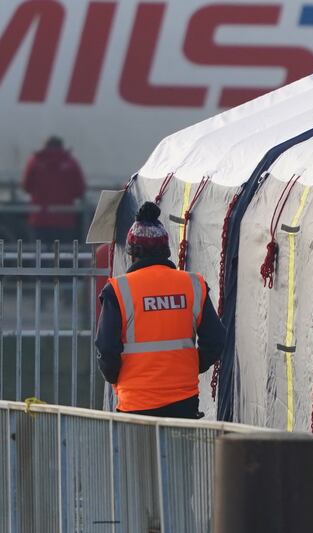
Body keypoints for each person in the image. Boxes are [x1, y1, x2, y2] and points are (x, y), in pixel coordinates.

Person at [95, 202, 225, 418]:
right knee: (179, 453)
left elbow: (106, 349)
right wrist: (191, 366)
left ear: (131, 253)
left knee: (140, 454)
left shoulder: (118, 290)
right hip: (183, 401)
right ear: (166, 251)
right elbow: (216, 339)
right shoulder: (193, 285)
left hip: (137, 402)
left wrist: (118, 377)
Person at [22, 136, 86, 242]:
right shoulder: (71, 163)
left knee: (40, 253)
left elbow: (26, 186)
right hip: (65, 218)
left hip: (40, 218)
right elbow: (79, 189)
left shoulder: (34, 161)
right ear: (61, 146)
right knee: (64, 253)